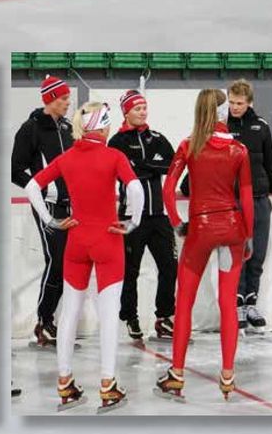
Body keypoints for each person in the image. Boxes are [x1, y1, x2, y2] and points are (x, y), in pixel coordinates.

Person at [25, 102, 143, 413]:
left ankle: (65, 385)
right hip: (107, 239)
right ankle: (107, 385)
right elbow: (135, 188)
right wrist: (133, 221)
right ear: (102, 127)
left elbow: (32, 186)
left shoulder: (66, 157)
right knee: (108, 314)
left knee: (68, 314)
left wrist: (50, 221)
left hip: (76, 240)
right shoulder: (114, 156)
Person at [156, 88, 254, 403]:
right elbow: (248, 198)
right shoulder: (239, 149)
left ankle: (177, 374)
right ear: (224, 113)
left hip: (199, 229)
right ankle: (227, 377)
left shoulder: (188, 145)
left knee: (184, 301)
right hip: (232, 228)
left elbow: (168, 189)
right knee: (228, 303)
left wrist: (175, 222)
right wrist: (248, 235)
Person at [10, 74, 74, 347]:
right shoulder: (30, 129)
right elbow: (15, 170)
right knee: (56, 261)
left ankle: (58, 321)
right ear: (49, 100)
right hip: (48, 206)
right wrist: (39, 187)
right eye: (63, 99)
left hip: (73, 205)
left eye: (68, 98)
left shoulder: (69, 128)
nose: (68, 103)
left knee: (71, 264)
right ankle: (44, 321)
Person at [108, 89, 176, 340]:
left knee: (169, 265)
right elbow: (120, 171)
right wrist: (151, 167)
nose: (143, 112)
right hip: (130, 218)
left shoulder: (157, 137)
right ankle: (131, 317)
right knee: (130, 271)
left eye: (145, 107)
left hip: (158, 216)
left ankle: (164, 317)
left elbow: (171, 164)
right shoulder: (116, 142)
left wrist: (142, 166)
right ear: (126, 112)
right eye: (137, 108)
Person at [226, 79, 272, 331]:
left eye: (239, 103)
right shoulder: (222, 126)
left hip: (259, 198)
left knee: (257, 253)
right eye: (231, 102)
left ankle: (251, 302)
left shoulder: (261, 126)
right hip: (233, 199)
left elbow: (270, 162)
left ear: (249, 103)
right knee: (238, 253)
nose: (234, 107)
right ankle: (237, 302)